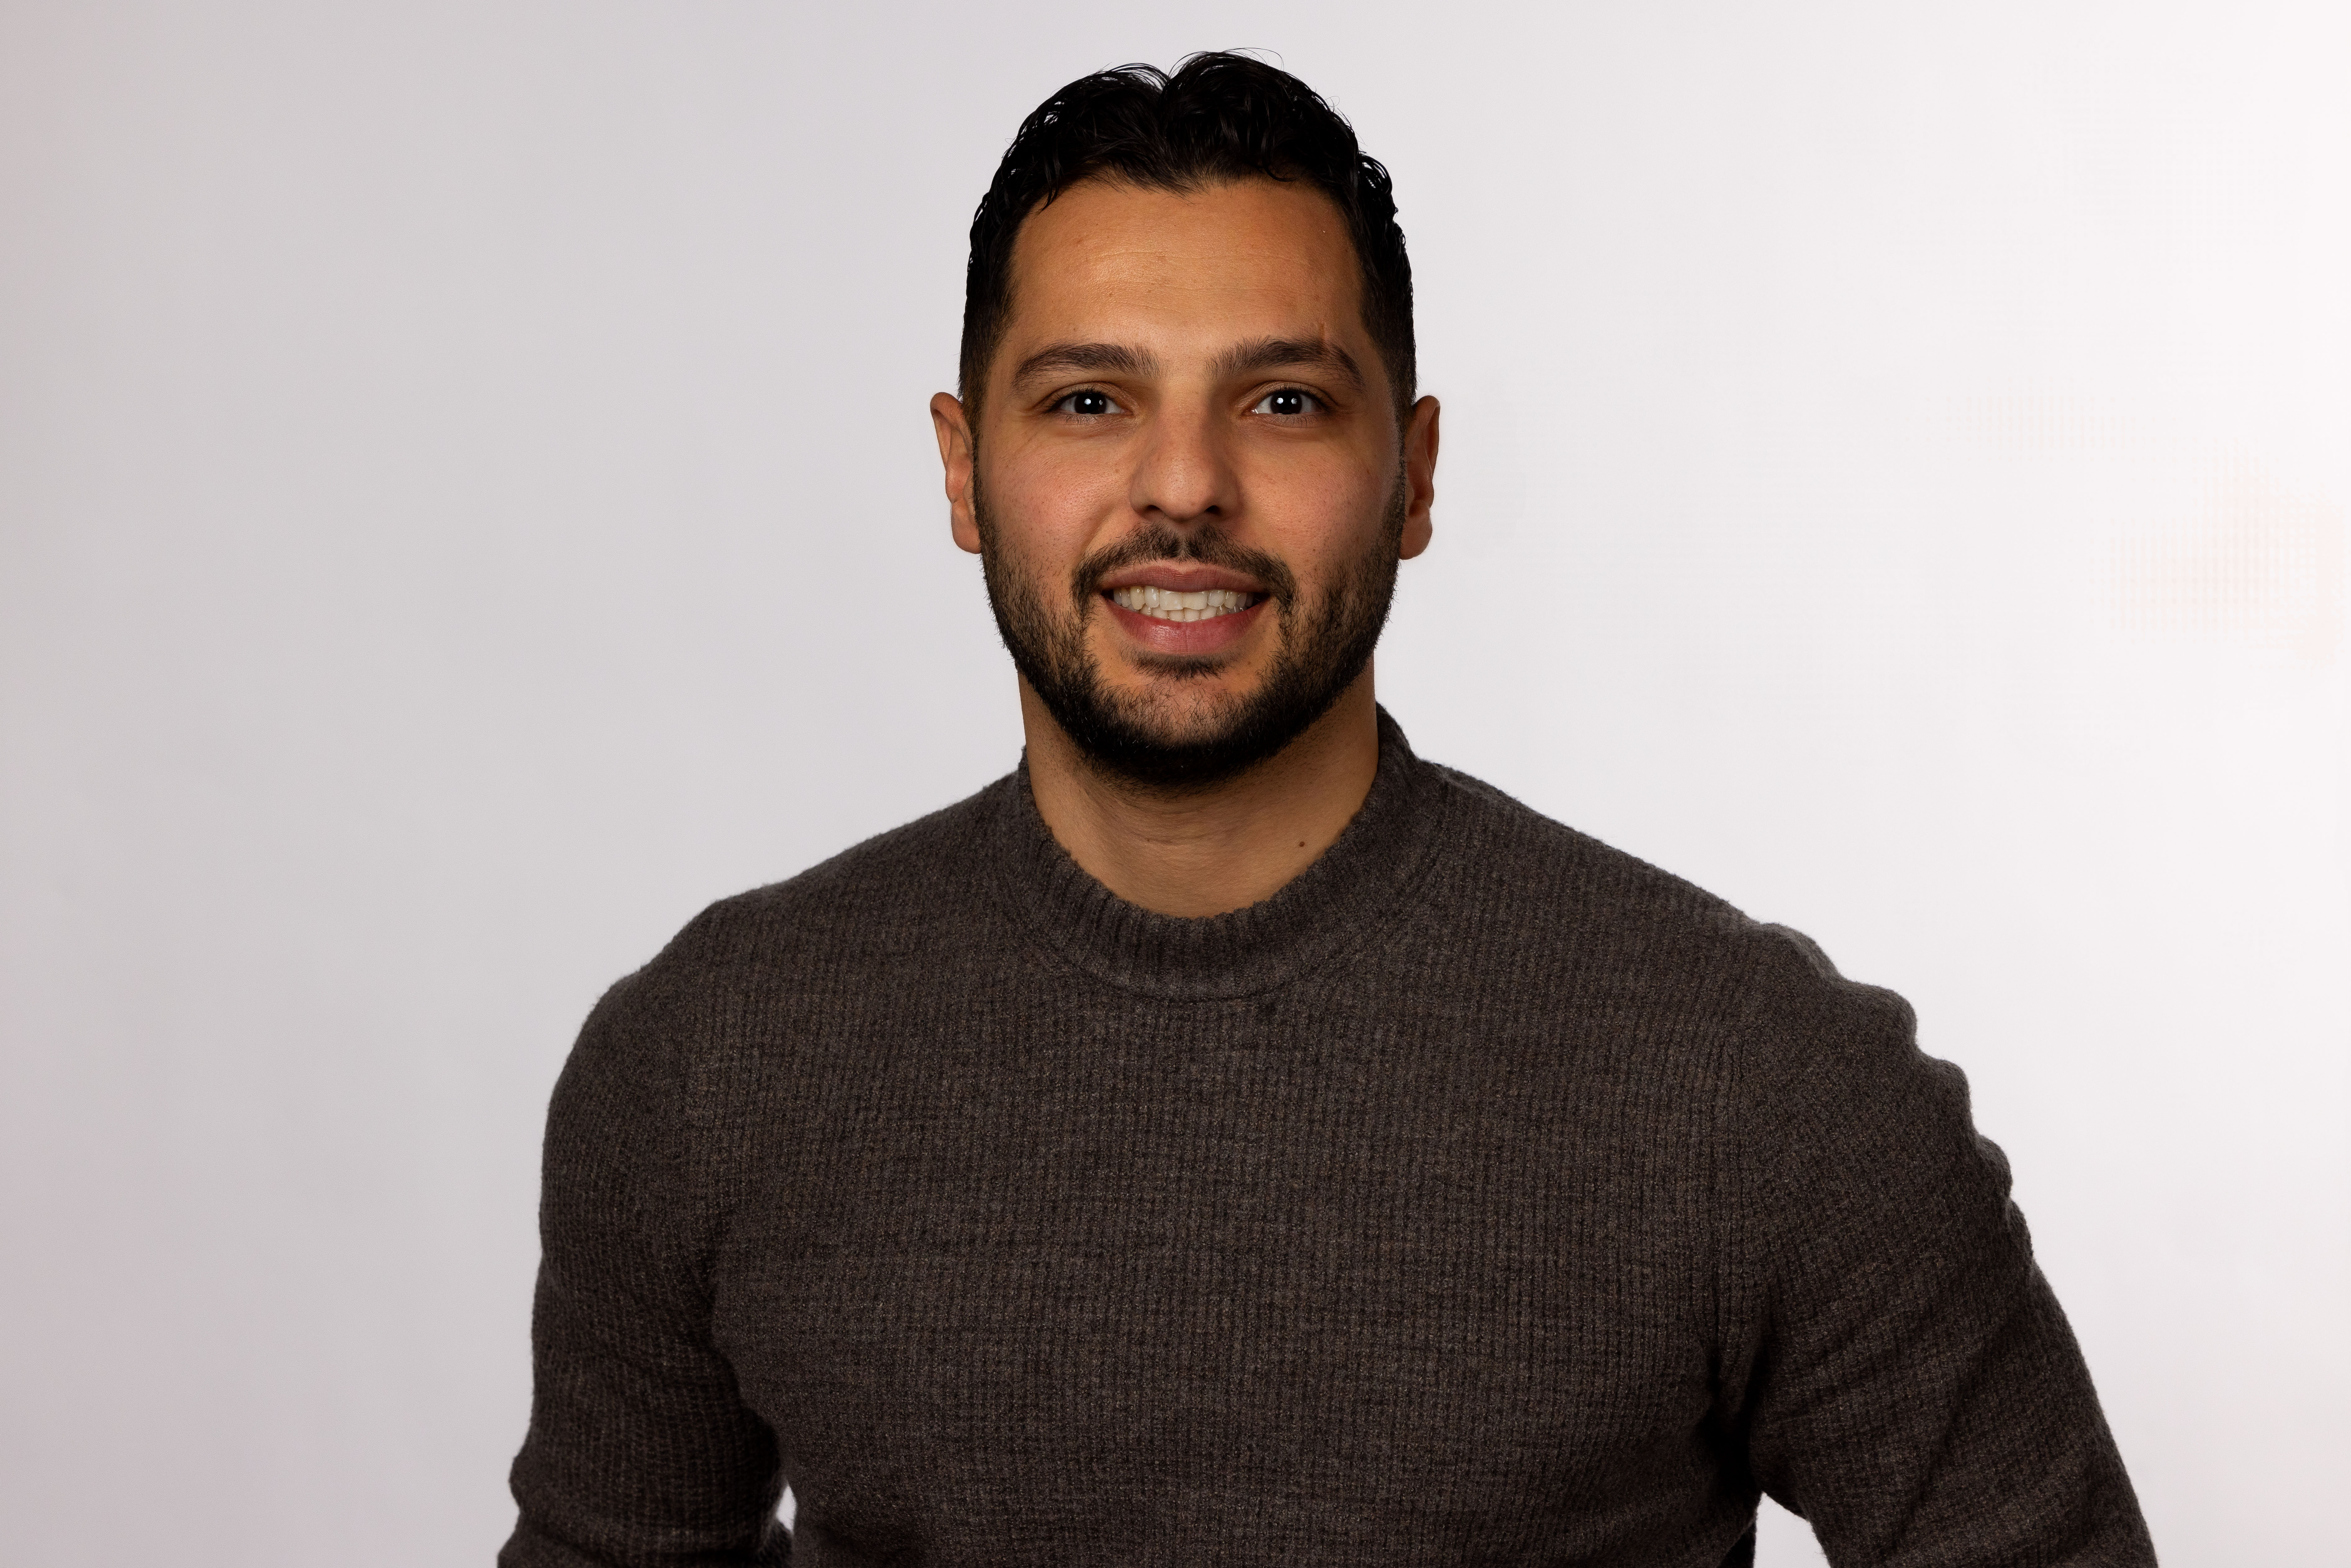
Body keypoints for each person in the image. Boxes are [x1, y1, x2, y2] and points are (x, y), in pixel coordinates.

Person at [501, 53, 2154, 1568]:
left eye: (1282, 400)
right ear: (961, 468)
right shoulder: (711, 1065)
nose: (1182, 485)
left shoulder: (1760, 1089)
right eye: (1088, 400)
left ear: (1413, 474)